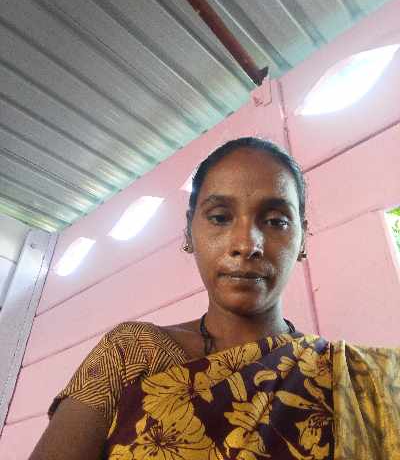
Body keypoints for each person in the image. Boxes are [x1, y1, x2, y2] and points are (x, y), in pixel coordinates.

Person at [29, 137, 400, 460]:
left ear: (302, 238)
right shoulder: (129, 353)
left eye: (275, 221)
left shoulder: (358, 382)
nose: (246, 244)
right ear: (189, 232)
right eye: (220, 217)